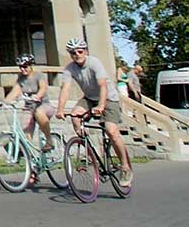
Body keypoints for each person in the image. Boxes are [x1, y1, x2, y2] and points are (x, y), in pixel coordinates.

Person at [55, 37, 132, 187]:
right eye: (73, 52)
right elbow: (65, 88)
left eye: (80, 51)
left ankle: (125, 167)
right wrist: (60, 109)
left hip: (109, 98)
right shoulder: (69, 68)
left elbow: (103, 86)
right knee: (75, 118)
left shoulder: (94, 63)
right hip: (89, 98)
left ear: (86, 51)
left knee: (111, 130)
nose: (77, 54)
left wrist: (102, 105)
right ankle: (92, 152)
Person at [2, 53, 56, 150]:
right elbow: (15, 91)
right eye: (20, 67)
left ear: (31, 65)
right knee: (25, 132)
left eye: (25, 66)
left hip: (43, 105)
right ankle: (29, 158)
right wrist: (4, 102)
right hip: (29, 108)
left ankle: (49, 141)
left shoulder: (38, 75)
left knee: (39, 113)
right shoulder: (21, 78)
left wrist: (38, 96)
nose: (23, 69)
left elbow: (43, 88)